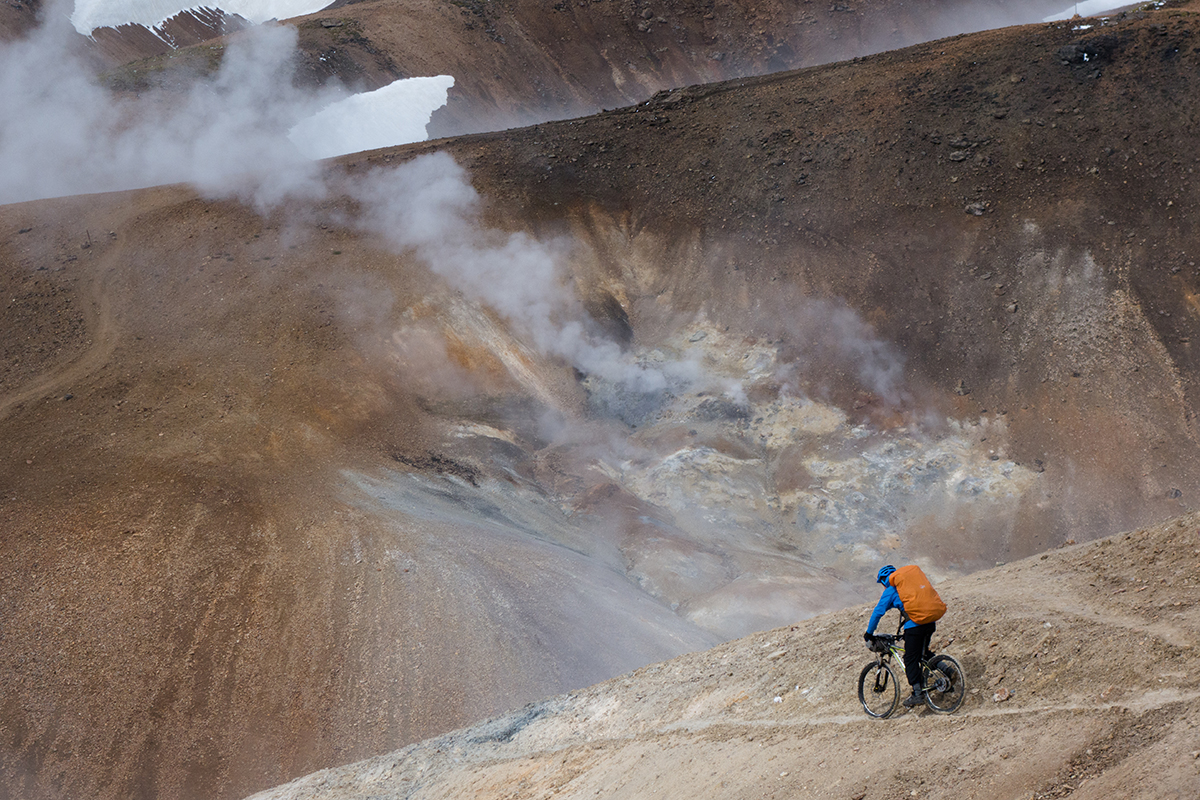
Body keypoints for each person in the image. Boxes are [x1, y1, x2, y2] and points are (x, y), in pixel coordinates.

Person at [864, 564, 944, 708]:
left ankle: (917, 693)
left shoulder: (891, 590)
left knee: (909, 658)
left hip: (915, 626)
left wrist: (869, 633)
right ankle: (949, 670)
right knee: (923, 653)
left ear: (883, 580)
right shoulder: (908, 586)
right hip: (930, 622)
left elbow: (877, 613)